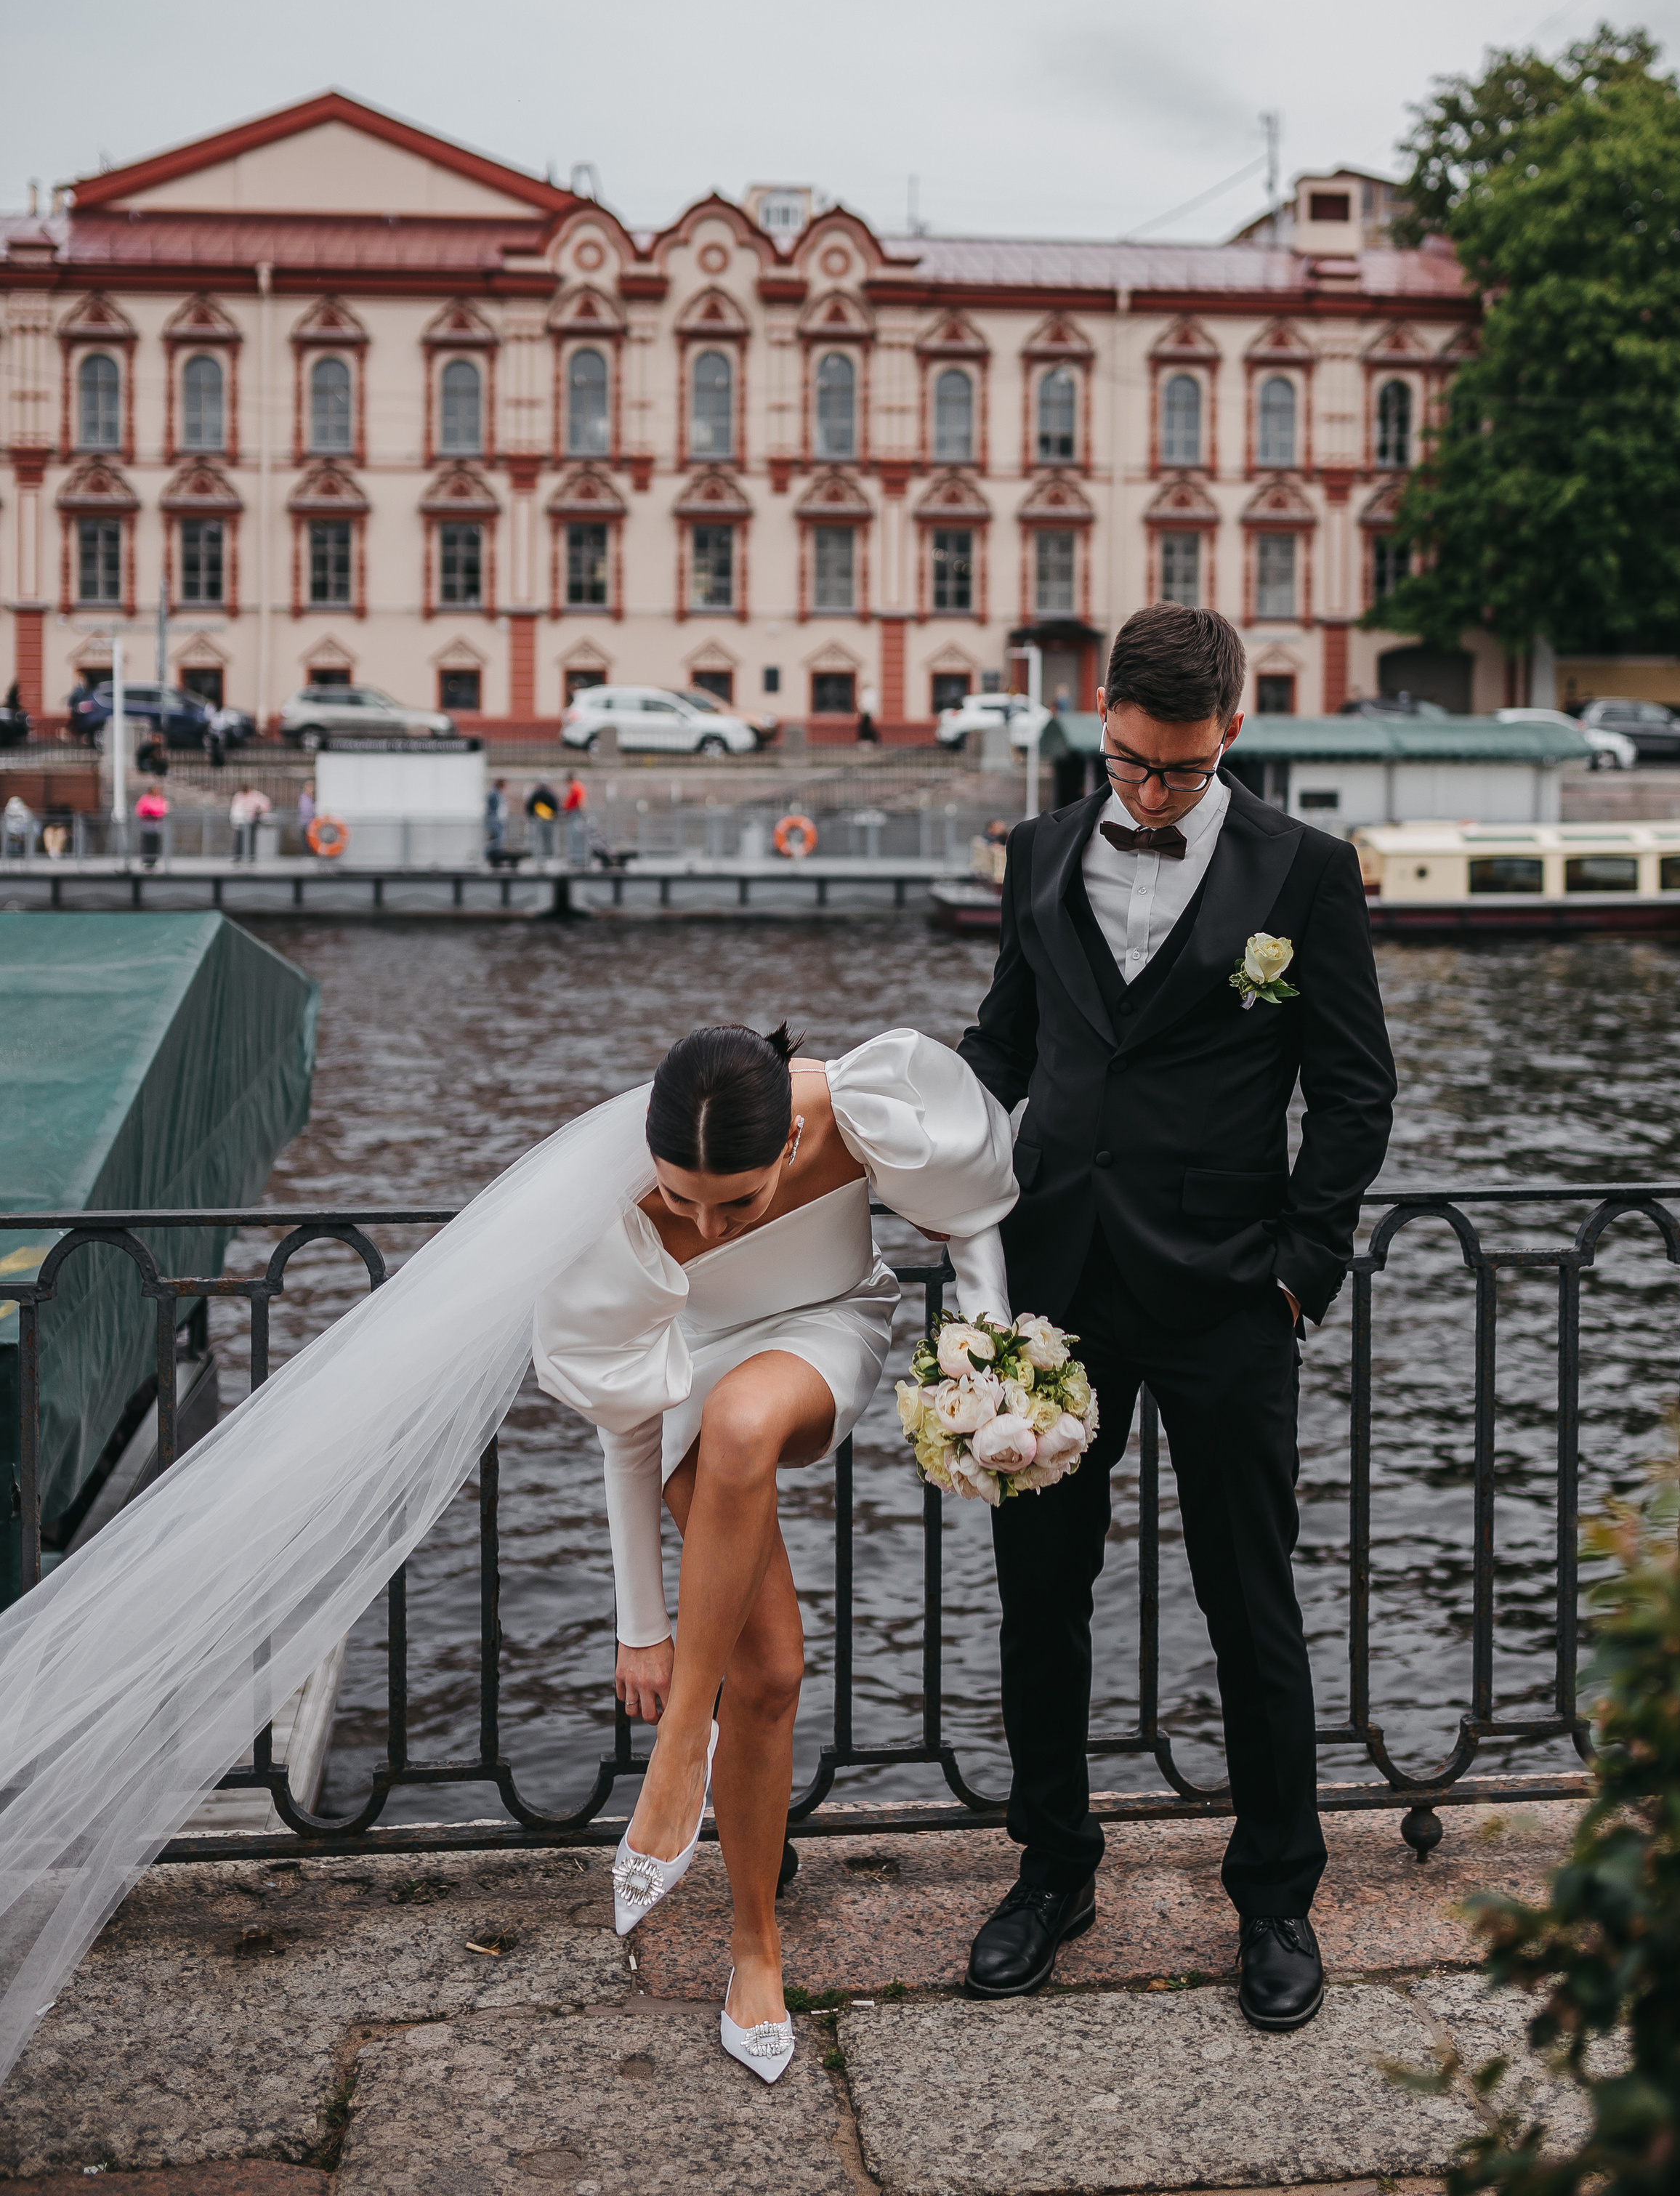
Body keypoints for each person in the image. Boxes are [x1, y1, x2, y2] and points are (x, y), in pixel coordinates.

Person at [0, 1020, 1017, 2092]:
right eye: (683, 1201)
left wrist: (987, 1369)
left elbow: (974, 1216)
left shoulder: (868, 1111)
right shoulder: (619, 1208)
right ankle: (753, 1949)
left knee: (749, 1422)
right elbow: (625, 1420)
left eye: (739, 1203)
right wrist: (643, 1622)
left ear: (791, 1143)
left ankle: (680, 1755)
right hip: (683, 1388)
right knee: (766, 1674)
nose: (705, 1224)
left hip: (819, 1336)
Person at [956, 602, 1396, 2032]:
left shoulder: (1307, 873)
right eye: (1128, 763)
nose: (1148, 790)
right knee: (1038, 1601)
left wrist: (1297, 1266)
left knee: (1247, 1602)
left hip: (1224, 1294)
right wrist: (895, 1138)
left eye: (1177, 770)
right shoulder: (1035, 853)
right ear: (1099, 722)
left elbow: (1353, 1090)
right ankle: (1050, 1870)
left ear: (1231, 733)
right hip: (1051, 1285)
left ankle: (1274, 1900)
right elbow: (1001, 1050)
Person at [228, 785, 271, 863]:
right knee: (239, 839)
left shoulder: (256, 796)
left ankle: (251, 856)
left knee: (251, 838)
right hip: (241, 821)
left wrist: (260, 810)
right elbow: (235, 808)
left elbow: (265, 803)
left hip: (252, 820)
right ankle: (238, 856)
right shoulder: (239, 796)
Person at [526, 779, 560, 860]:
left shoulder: (536, 794)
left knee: (538, 840)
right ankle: (549, 857)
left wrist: (531, 816)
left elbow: (530, 806)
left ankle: (538, 857)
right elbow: (556, 807)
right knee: (548, 840)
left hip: (539, 820)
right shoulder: (550, 794)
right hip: (548, 821)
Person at [134, 786, 169, 865]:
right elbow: (141, 810)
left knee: (155, 844)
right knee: (146, 843)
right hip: (146, 826)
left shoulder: (159, 800)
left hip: (156, 827)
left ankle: (154, 861)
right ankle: (146, 860)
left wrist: (153, 811)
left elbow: (162, 810)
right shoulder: (145, 799)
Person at [484, 775, 512, 865]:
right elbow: (492, 809)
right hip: (495, 821)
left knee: (498, 840)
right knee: (495, 840)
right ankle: (492, 858)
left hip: (498, 821)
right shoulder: (494, 794)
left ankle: (496, 859)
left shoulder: (497, 793)